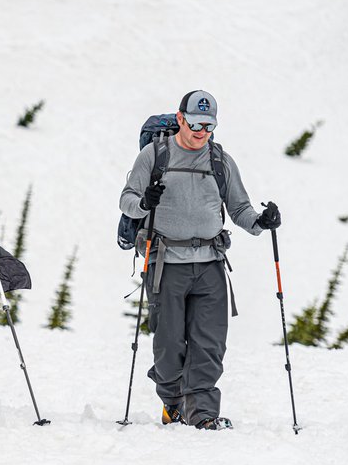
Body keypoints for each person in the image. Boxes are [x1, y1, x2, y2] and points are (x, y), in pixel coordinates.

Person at [119, 89, 281, 430]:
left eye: (209, 125)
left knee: (209, 343)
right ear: (180, 119)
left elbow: (239, 208)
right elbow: (127, 201)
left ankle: (203, 414)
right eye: (195, 123)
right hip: (166, 262)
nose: (201, 131)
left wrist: (261, 223)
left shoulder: (220, 160)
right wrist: (145, 203)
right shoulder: (155, 155)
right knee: (168, 346)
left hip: (210, 262)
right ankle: (172, 400)